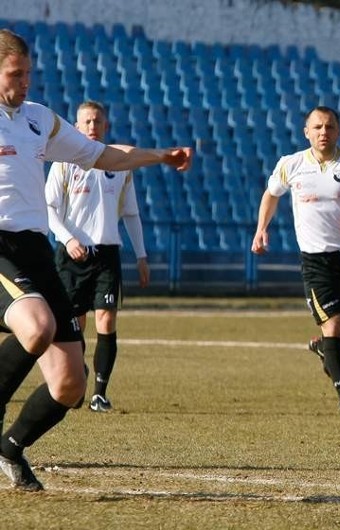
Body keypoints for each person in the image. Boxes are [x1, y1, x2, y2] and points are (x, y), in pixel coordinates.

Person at [0, 29, 192, 491]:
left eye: (28, 72)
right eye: (15, 74)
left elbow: (102, 154)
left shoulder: (37, 120)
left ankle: (10, 448)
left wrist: (159, 156)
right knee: (37, 325)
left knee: (70, 383)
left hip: (34, 250)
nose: (25, 81)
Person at [251, 106, 340, 427]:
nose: (323, 132)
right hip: (314, 260)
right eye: (317, 127)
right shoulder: (291, 165)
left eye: (329, 126)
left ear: (338, 130)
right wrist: (262, 228)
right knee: (333, 326)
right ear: (306, 132)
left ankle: (322, 349)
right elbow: (271, 195)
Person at [45, 100, 150, 413]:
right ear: (76, 127)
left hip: (106, 254)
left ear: (106, 126)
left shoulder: (119, 166)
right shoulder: (64, 163)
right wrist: (68, 238)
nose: (92, 127)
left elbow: (131, 213)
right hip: (72, 255)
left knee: (106, 319)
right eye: (86, 122)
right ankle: (76, 381)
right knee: (74, 324)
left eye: (97, 122)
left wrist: (141, 255)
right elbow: (49, 208)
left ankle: (99, 394)